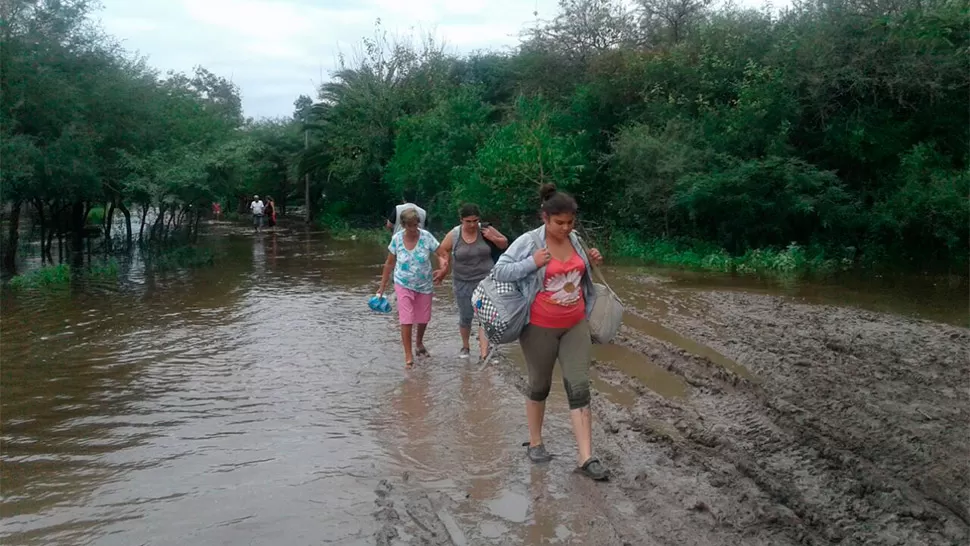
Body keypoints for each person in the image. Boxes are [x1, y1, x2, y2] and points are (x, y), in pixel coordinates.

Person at [490, 183, 608, 481]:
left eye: (570, 223)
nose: (565, 229)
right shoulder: (529, 242)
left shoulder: (576, 239)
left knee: (579, 385)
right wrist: (532, 263)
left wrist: (592, 260)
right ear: (545, 218)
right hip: (538, 326)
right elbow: (500, 271)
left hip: (575, 323)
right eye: (559, 223)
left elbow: (581, 274)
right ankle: (536, 441)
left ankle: (585, 457)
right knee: (539, 385)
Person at [434, 203, 508, 361]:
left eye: (475, 220)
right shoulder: (455, 234)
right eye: (468, 221)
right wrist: (444, 267)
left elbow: (504, 243)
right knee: (466, 316)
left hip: (486, 281)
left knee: (486, 316)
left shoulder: (485, 229)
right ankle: (465, 346)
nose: (473, 224)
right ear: (461, 220)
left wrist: (493, 238)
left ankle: (484, 353)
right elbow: (441, 250)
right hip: (463, 281)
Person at [377, 209, 444, 370]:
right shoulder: (397, 239)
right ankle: (408, 355)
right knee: (406, 319)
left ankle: (419, 343)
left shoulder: (426, 237)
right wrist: (381, 287)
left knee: (423, 318)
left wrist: (443, 268)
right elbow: (389, 264)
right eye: (411, 226)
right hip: (403, 283)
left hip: (424, 284)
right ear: (404, 225)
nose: (414, 229)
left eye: (416, 225)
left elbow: (441, 254)